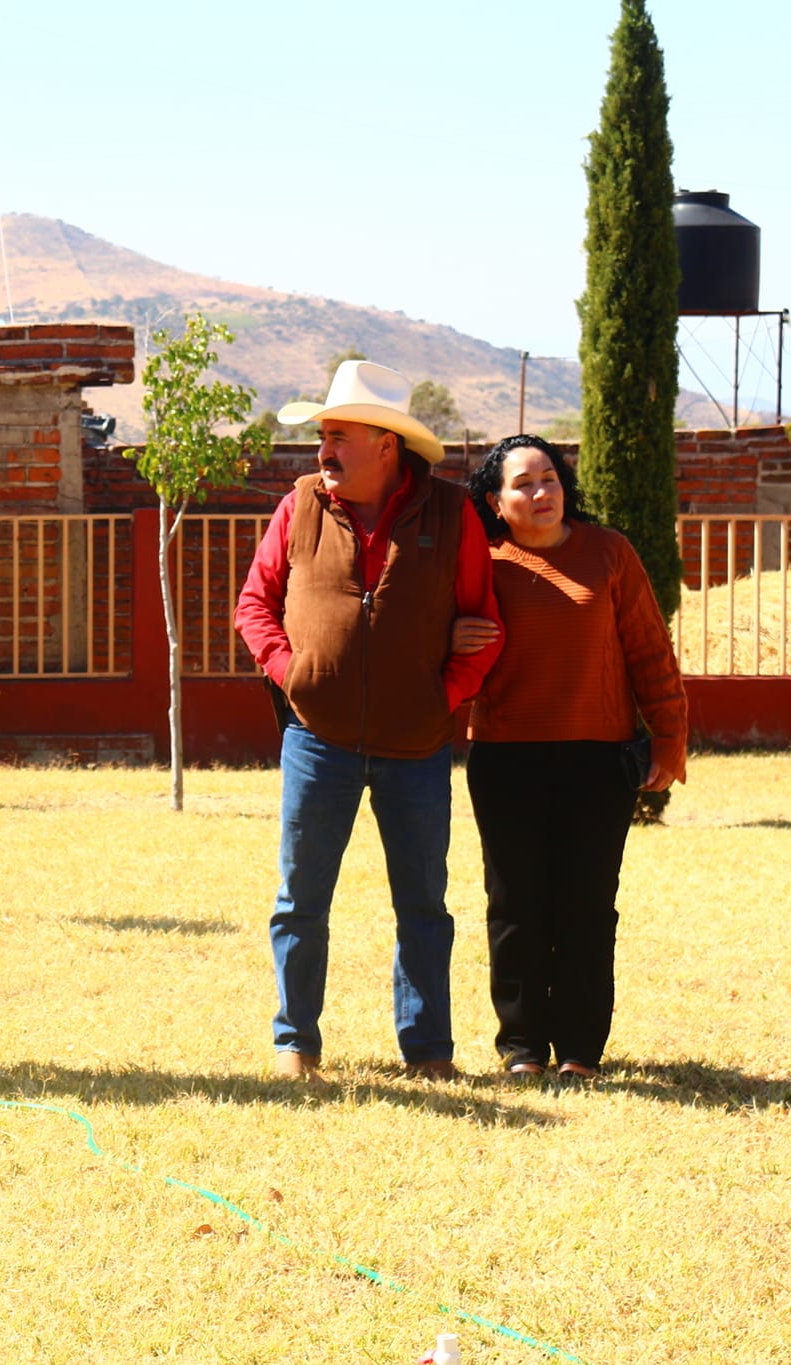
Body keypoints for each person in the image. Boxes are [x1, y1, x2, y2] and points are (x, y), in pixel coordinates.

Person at [233, 360, 502, 1081]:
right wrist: (295, 674)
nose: (323, 448)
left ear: (386, 444)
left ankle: (429, 1050)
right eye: (322, 432)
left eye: (338, 433)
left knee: (422, 904)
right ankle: (296, 1041)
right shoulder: (298, 505)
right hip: (315, 741)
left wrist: (440, 697)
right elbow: (253, 605)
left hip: (416, 746)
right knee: (301, 900)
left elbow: (486, 623)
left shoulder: (453, 514)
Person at [454, 434, 687, 1079]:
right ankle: (523, 1049)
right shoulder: (481, 561)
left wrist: (668, 738)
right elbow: (440, 642)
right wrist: (454, 633)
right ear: (497, 502)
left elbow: (649, 651)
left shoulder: (608, 552)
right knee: (516, 906)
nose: (541, 492)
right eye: (523, 484)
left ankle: (581, 1050)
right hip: (506, 760)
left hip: (598, 759)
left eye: (550, 479)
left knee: (586, 905)